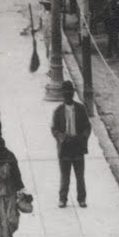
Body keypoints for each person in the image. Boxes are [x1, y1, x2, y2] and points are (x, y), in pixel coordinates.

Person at [50, 79, 91, 208]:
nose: (68, 95)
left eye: (70, 93)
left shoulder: (81, 109)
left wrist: (82, 138)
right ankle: (63, 199)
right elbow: (54, 129)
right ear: (63, 94)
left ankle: (82, 199)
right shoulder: (57, 111)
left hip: (78, 145)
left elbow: (87, 127)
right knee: (65, 176)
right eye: (66, 93)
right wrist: (62, 138)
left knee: (80, 176)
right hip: (65, 147)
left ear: (73, 93)